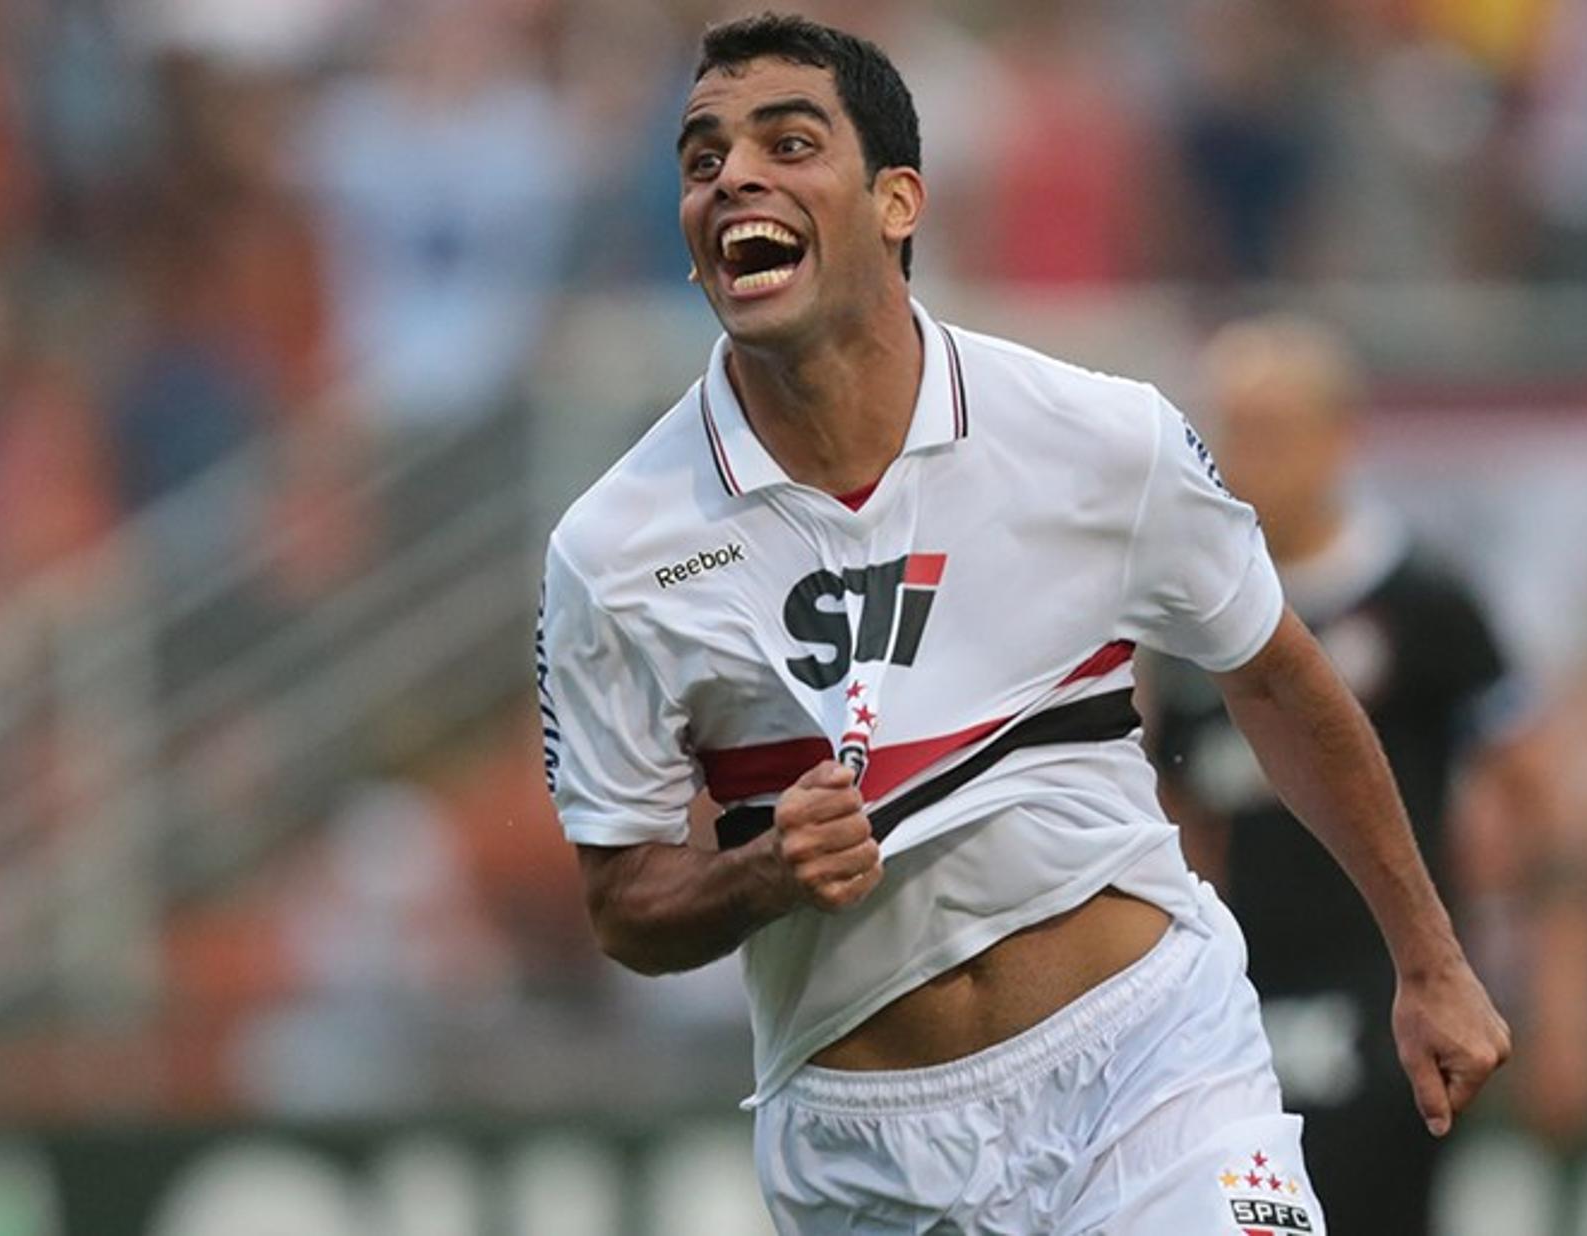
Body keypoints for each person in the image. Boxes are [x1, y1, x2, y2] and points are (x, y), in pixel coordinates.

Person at [534, 14, 1509, 1233]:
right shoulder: (616, 550)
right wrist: (762, 876)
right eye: (701, 158)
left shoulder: (1099, 435)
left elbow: (1277, 679)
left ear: (898, 202)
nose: (734, 176)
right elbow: (623, 903)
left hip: (1151, 1068)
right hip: (866, 1149)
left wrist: (1429, 959)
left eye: (788, 142)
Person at [1145, 315, 1587, 1234]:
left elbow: (1540, 799)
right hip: (1242, 1010)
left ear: (1338, 438)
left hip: (1388, 998)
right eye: (1231, 430)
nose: (1248, 457)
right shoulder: (1188, 627)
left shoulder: (1422, 603)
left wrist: (1559, 997)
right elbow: (1180, 815)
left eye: (1274, 430)